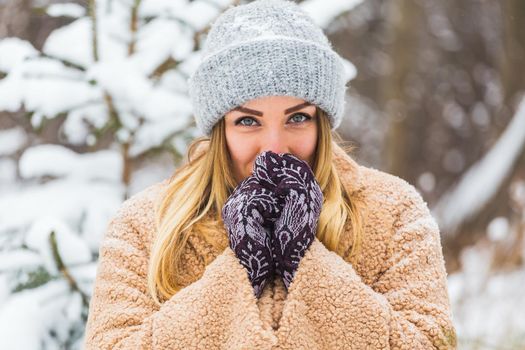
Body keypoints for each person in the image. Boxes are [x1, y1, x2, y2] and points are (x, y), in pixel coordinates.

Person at [83, 0, 457, 349]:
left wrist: (308, 263)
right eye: (248, 121)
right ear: (219, 130)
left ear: (322, 124)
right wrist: (240, 270)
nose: (275, 149)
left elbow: (430, 342)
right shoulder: (143, 226)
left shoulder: (393, 213)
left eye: (297, 118)